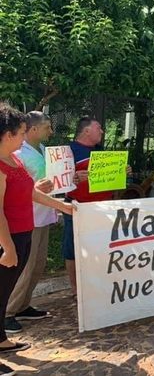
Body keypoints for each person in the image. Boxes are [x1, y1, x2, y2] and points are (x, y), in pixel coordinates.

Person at [0, 104, 72, 368]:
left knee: (7, 288)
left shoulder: (15, 158)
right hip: (8, 236)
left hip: (24, 230)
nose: (23, 138)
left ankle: (2, 339)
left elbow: (29, 191)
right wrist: (7, 246)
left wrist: (62, 206)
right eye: (20, 133)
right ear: (8, 134)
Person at [63, 117, 130, 297]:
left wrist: (122, 172)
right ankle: (76, 289)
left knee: (99, 247)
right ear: (86, 131)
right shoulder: (69, 151)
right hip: (78, 208)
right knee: (72, 249)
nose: (102, 131)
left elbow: (110, 181)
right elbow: (58, 180)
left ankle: (97, 285)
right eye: (98, 127)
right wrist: (74, 177)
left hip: (101, 208)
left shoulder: (100, 151)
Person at [4, 112, 57, 335]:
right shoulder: (17, 153)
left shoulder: (46, 150)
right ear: (34, 130)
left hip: (43, 214)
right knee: (22, 268)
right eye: (47, 127)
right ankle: (8, 312)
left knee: (37, 264)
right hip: (26, 218)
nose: (51, 132)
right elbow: (19, 187)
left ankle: (23, 305)